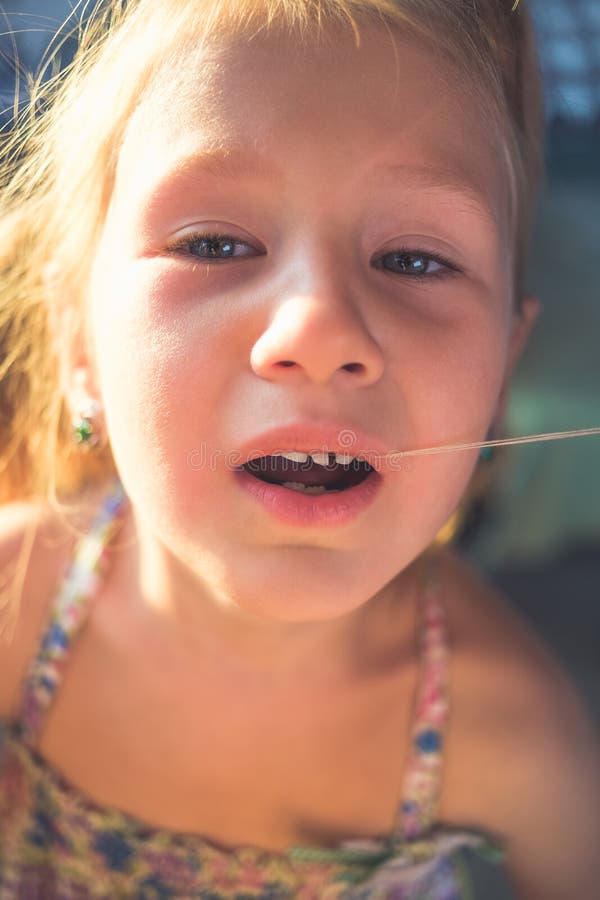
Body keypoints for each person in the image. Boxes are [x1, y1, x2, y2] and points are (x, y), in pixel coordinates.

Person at [0, 0, 599, 897]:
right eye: (215, 244)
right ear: (78, 343)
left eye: (415, 260)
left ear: (501, 372)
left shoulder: (520, 740)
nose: (318, 329)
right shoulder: (14, 604)